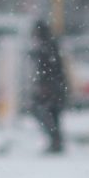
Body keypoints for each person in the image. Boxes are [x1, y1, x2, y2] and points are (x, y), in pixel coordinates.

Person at [30, 20, 71, 155]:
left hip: (51, 89)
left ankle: (55, 141)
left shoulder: (46, 48)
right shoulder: (51, 46)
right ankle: (56, 141)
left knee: (44, 113)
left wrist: (45, 86)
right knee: (53, 116)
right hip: (57, 88)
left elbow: (48, 70)